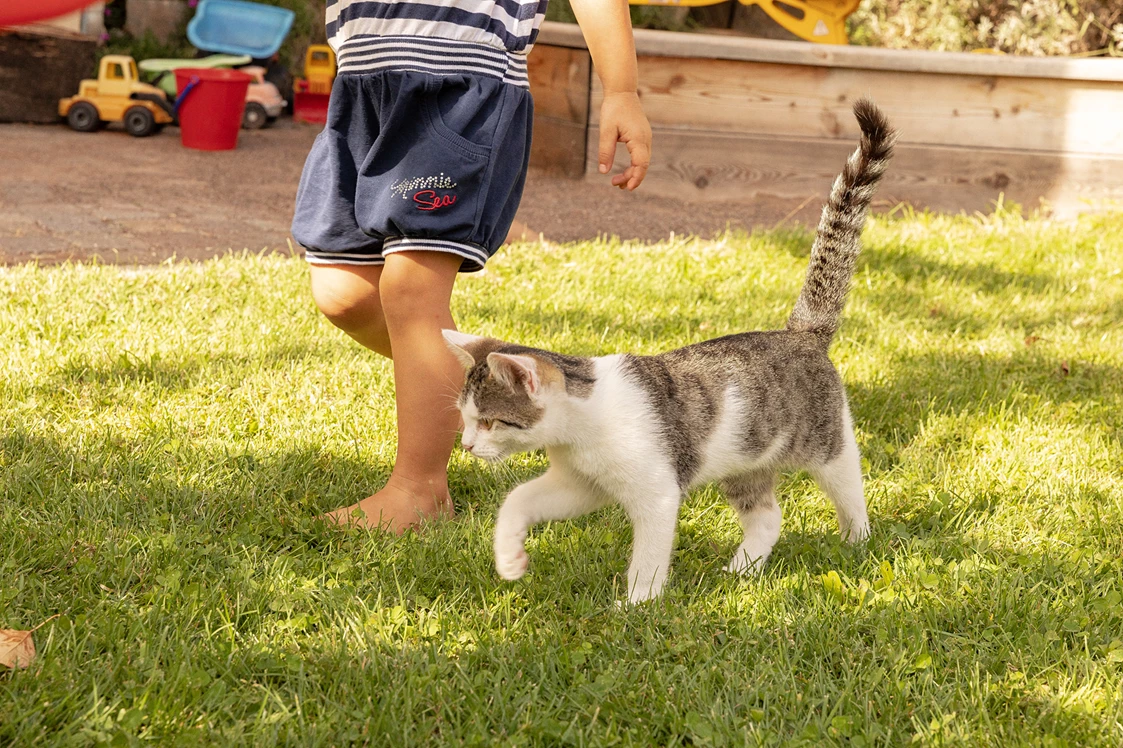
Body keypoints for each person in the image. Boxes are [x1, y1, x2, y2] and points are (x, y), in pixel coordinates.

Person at [291, 0, 652, 532]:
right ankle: (512, 389)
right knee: (343, 293)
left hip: (459, 85)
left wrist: (621, 90)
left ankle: (419, 491)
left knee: (412, 291)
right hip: (363, 85)